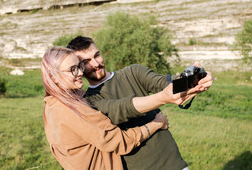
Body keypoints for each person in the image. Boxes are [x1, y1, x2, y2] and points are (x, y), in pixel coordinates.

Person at [67, 36, 214, 170]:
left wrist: (193, 80)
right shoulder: (89, 101)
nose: (96, 63)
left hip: (173, 164)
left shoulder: (133, 72)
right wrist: (162, 99)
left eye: (97, 55)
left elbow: (164, 83)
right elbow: (121, 109)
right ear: (78, 67)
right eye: (86, 62)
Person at [42, 46, 172, 170]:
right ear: (54, 77)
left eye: (79, 66)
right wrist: (156, 123)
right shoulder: (69, 109)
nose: (81, 72)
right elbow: (119, 141)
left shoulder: (51, 104)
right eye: (72, 69)